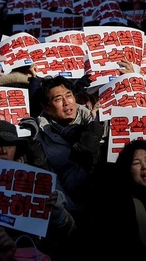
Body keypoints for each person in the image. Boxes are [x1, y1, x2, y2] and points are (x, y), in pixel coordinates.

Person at [19, 76, 105, 213]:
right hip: (67, 212)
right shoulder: (38, 136)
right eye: (58, 99)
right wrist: (69, 212)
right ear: (47, 108)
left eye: (69, 95)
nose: (66, 103)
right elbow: (49, 179)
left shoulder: (99, 124)